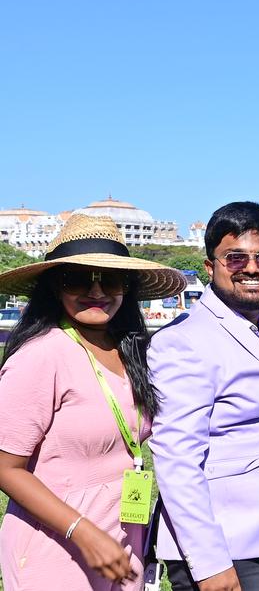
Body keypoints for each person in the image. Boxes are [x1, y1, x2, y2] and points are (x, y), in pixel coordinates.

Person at [0, 214, 186, 590]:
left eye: (111, 279)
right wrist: (82, 532)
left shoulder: (133, 353)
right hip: (56, 546)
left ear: (127, 288)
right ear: (54, 286)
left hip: (121, 542)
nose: (97, 291)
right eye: (78, 278)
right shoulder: (41, 356)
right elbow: (6, 467)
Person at [147, 202, 259, 591]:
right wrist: (210, 564)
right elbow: (177, 459)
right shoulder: (184, 341)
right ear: (210, 267)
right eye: (235, 257)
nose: (252, 267)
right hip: (227, 547)